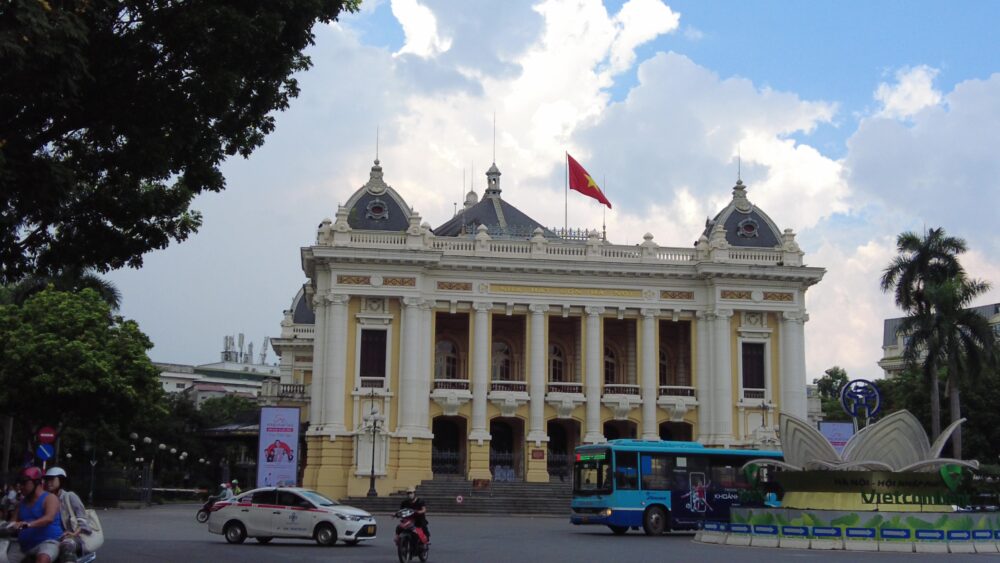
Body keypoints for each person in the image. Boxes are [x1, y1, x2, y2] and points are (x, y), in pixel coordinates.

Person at [8, 466, 63, 563]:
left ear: (36, 482)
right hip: (24, 547)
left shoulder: (50, 498)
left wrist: (28, 524)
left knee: (43, 559)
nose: (21, 486)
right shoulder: (21, 504)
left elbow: (48, 518)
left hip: (48, 542)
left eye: (24, 483)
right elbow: (12, 523)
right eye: (20, 483)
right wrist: (10, 526)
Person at [43, 467, 93, 563]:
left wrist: (73, 534)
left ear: (61, 480)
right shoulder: (44, 499)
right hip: (52, 536)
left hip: (71, 537)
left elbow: (83, 520)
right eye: (47, 479)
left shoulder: (69, 496)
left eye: (52, 479)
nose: (49, 482)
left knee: (66, 546)